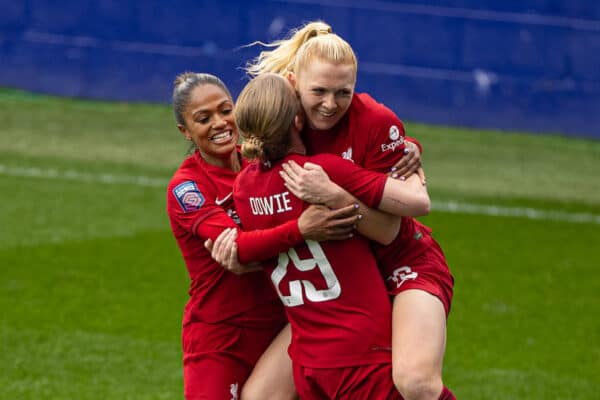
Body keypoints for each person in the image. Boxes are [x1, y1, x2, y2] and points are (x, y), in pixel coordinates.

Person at [245, 21, 456, 400]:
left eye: (343, 92)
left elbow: (395, 227)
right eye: (319, 91)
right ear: (293, 84)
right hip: (342, 284)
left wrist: (335, 195)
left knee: (416, 382)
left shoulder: (373, 120)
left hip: (401, 261)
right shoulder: (283, 126)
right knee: (261, 396)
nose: (330, 104)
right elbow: (241, 139)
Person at [165, 71, 363, 399]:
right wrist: (301, 229)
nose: (219, 123)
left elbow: (342, 145)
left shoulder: (261, 163)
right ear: (185, 131)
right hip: (223, 336)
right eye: (203, 118)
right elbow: (240, 247)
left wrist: (404, 147)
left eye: (225, 110)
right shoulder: (188, 188)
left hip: (284, 321)